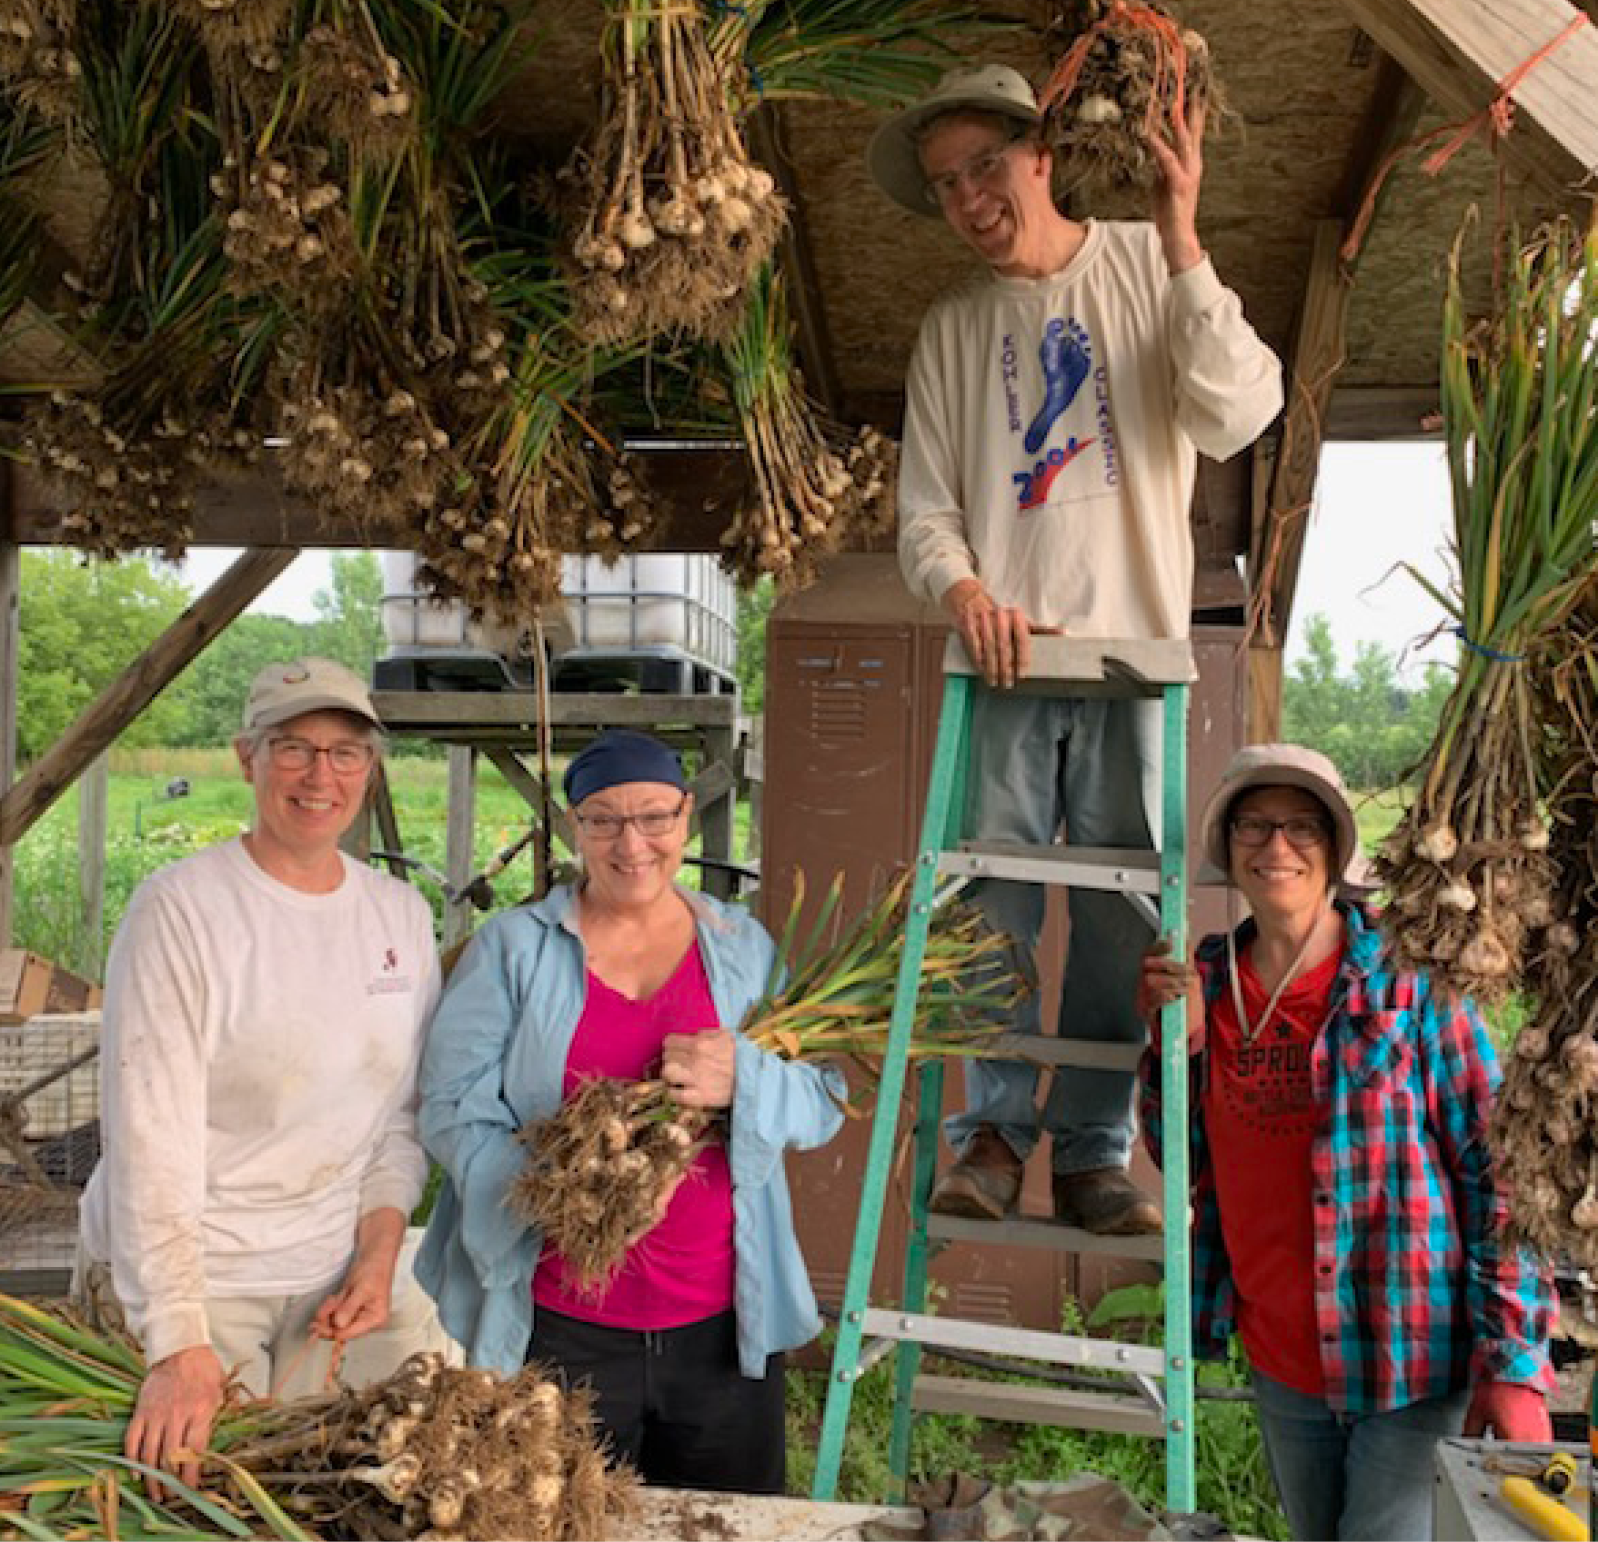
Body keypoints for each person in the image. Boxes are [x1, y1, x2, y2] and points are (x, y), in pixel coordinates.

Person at [865, 63, 1283, 1232]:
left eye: (984, 166)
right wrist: (961, 590)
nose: (967, 197)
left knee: (1116, 920)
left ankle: (1095, 1149)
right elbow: (925, 514)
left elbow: (1241, 408)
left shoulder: (1148, 271)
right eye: (946, 183)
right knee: (986, 902)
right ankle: (988, 1135)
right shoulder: (950, 329)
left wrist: (1184, 236)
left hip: (1128, 661)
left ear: (1042, 156)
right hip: (1000, 665)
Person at [1137, 743, 1554, 1541]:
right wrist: (1174, 1047)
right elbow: (1173, 1152)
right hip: (1283, 1358)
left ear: (1335, 849)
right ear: (1227, 847)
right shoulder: (1204, 983)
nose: (1277, 847)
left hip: (1408, 1354)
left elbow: (1499, 1172)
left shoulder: (1410, 980)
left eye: (1301, 827)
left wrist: (1514, 1362)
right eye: (1254, 826)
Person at [416, 728, 843, 1494]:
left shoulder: (742, 948)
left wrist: (743, 1077)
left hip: (720, 1326)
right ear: (573, 826)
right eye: (604, 819)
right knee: (560, 1516)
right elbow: (449, 1106)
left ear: (685, 817)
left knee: (722, 1524)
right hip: (559, 1326)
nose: (632, 843)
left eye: (654, 817)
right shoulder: (514, 950)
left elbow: (821, 1103)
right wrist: (572, 1182)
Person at [77, 658, 445, 1494]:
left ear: (371, 768)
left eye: (346, 752)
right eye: (294, 748)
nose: (322, 776)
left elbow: (398, 1117)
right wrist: (176, 1341)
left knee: (360, 1493)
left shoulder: (399, 916)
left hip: (326, 1273)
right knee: (190, 1504)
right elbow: (149, 1138)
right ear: (247, 759)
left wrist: (380, 1251)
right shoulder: (181, 912)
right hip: (198, 1278)